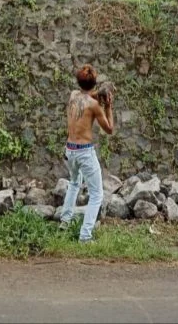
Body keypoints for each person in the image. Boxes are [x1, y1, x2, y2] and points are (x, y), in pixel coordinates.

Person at [59, 64, 114, 243]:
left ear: (78, 82)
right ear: (94, 82)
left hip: (70, 149)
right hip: (84, 152)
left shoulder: (73, 96)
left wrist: (99, 94)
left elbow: (86, 94)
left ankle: (65, 221)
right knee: (97, 194)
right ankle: (85, 236)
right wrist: (108, 106)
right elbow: (109, 129)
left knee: (74, 183)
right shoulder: (95, 106)